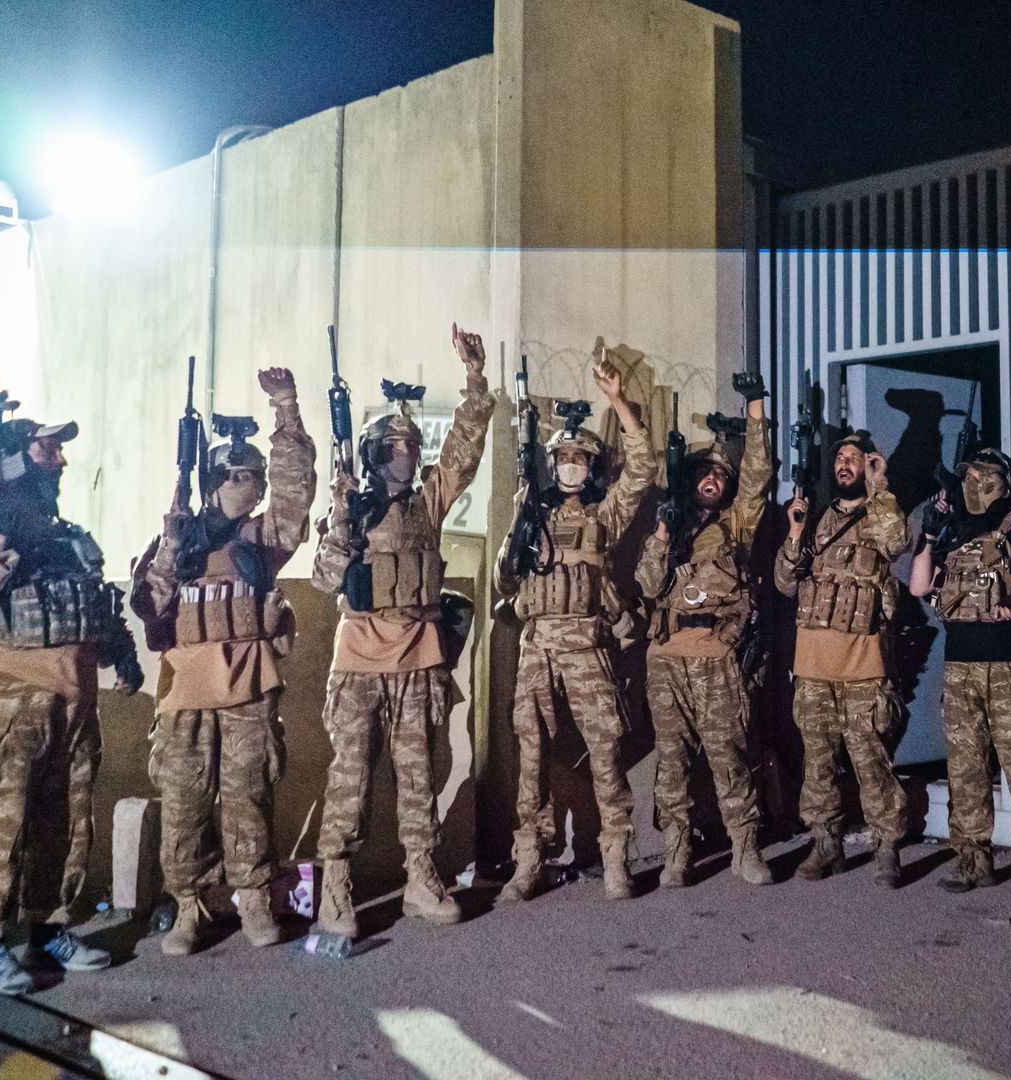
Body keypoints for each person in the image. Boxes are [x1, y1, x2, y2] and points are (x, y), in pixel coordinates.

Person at [0, 415, 141, 992]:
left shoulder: (66, 536)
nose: (61, 462)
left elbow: (91, 604)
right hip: (2, 707)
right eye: (48, 451)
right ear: (17, 459)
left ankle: (49, 930)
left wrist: (121, 654)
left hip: (71, 706)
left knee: (64, 825)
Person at [307, 323, 493, 956]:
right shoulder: (352, 507)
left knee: (418, 775)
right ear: (372, 454)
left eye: (413, 446)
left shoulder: (428, 502)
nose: (408, 455)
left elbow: (464, 452)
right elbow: (324, 579)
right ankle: (336, 884)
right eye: (395, 447)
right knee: (351, 777)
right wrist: (340, 521)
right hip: (359, 661)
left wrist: (474, 378)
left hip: (418, 657)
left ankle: (421, 876)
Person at [134, 368, 316, 955]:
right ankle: (189, 904)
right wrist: (171, 541)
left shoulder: (262, 540)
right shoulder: (177, 541)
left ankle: (254, 898)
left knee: (248, 800)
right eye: (235, 476)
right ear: (210, 483)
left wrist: (285, 409)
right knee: (183, 804)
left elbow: (297, 493)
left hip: (247, 688)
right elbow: (149, 604)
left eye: (253, 477)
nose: (247, 485)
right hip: (186, 693)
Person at [496, 349, 654, 902]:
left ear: (590, 467)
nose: (569, 465)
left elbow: (642, 471)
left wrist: (620, 403)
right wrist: (518, 526)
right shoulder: (532, 514)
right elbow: (505, 580)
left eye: (578, 458)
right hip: (538, 648)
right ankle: (529, 859)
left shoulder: (602, 514)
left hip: (587, 646)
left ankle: (615, 857)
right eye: (561, 457)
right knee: (531, 755)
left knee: (605, 750)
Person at [910, 447, 1011, 902]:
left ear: (1007, 484)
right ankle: (972, 858)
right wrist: (929, 535)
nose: (977, 485)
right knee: (965, 770)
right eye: (970, 476)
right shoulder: (953, 532)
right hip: (961, 669)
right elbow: (920, 586)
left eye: (988, 478)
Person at [636, 379, 774, 887]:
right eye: (704, 472)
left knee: (728, 755)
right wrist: (663, 532)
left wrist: (755, 412)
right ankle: (677, 853)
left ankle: (745, 848)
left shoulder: (736, 525)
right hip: (667, 660)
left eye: (720, 474)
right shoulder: (668, 528)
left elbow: (756, 477)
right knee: (671, 762)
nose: (713, 479)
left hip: (717, 657)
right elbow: (648, 585)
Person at [774, 432, 909, 888]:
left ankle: (886, 845)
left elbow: (898, 542)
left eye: (854, 458)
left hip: (863, 668)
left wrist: (880, 484)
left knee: (871, 762)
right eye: (840, 459)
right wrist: (795, 532)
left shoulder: (879, 512)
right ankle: (826, 844)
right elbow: (785, 583)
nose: (845, 465)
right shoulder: (814, 519)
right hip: (812, 668)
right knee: (818, 764)